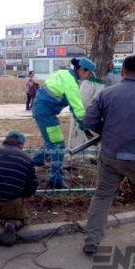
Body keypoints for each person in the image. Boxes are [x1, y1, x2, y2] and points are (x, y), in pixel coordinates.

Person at [82, 55, 135, 255]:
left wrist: (107, 131)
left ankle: (92, 241)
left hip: (111, 155)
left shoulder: (106, 93)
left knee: (102, 196)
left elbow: (89, 119)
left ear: (122, 72)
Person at [32, 57, 96, 189]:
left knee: (51, 138)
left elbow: (72, 107)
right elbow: (77, 109)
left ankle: (37, 160)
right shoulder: (71, 85)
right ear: (82, 70)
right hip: (46, 113)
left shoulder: (62, 73)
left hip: (41, 109)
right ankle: (56, 180)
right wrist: (86, 127)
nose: (88, 76)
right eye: (89, 73)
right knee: (58, 145)